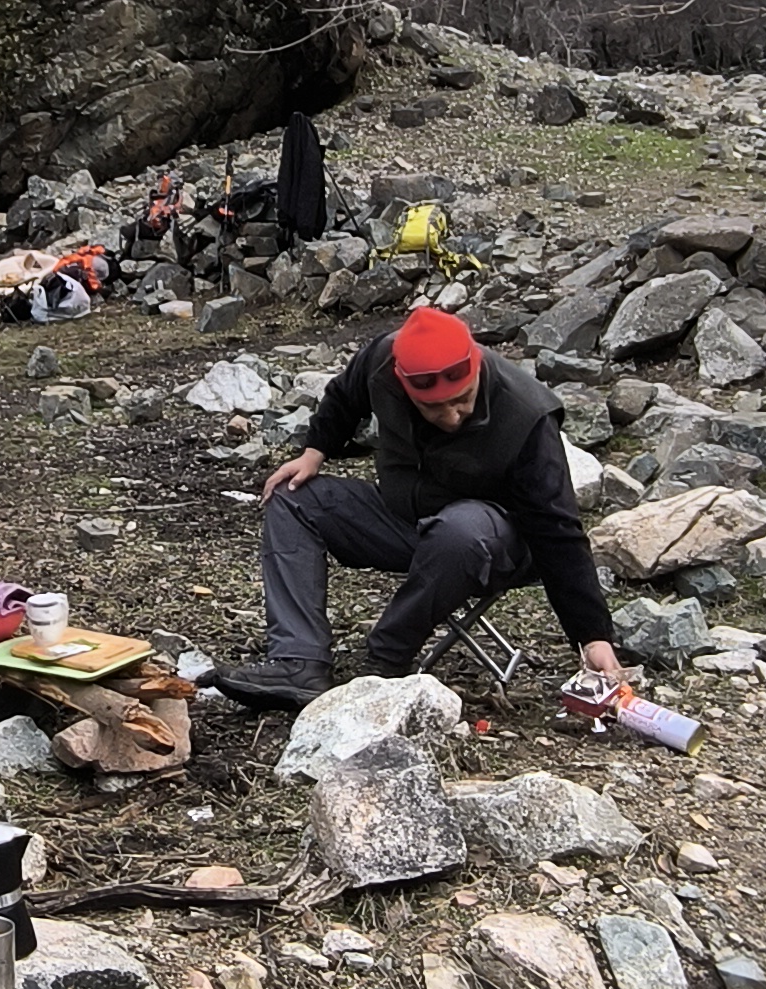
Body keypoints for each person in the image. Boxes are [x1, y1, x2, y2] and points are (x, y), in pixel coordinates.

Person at [211, 303, 626, 708]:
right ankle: (297, 662)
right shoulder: (383, 360)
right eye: (433, 407)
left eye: (461, 399)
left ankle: (384, 663)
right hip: (406, 522)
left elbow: (558, 530)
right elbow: (344, 395)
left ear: (476, 370)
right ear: (403, 382)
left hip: (492, 546)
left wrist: (592, 635)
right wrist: (315, 451)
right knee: (292, 496)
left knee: (460, 531)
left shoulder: (526, 415)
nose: (451, 416)